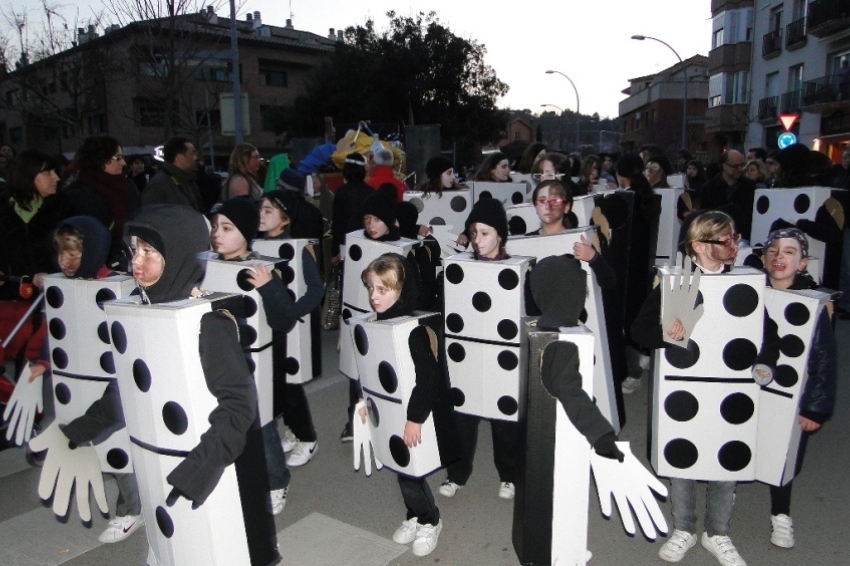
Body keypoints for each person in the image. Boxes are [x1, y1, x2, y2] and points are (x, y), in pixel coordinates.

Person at [123, 204, 279, 565]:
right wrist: (76, 430)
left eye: (149, 252)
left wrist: (199, 468)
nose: (137, 261)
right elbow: (126, 388)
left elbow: (239, 406)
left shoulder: (208, 322)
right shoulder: (140, 311)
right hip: (167, 461)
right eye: (134, 250)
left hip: (212, 465)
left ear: (176, 254)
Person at [631, 210, 777, 566]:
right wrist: (668, 335)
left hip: (732, 387)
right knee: (681, 460)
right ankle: (684, 527)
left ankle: (717, 532)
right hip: (684, 388)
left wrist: (765, 363)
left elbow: (768, 333)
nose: (734, 245)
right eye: (725, 239)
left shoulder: (745, 285)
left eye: (735, 237)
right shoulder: (677, 283)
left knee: (726, 458)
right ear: (698, 245)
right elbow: (638, 332)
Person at [45, 216, 144, 544]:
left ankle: (131, 508)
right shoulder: (66, 287)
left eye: (75, 253)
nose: (67, 261)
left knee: (120, 449)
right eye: (62, 253)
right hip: (79, 378)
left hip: (113, 382)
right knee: (104, 447)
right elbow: (60, 333)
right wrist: (43, 360)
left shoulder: (117, 287)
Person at [358, 253, 457, 557]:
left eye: (382, 290)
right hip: (390, 408)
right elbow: (369, 368)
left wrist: (415, 418)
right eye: (371, 288)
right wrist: (364, 402)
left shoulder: (412, 330)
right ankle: (414, 515)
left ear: (402, 290)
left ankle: (430, 519)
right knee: (402, 465)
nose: (374, 296)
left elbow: (428, 378)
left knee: (410, 470)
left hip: (417, 411)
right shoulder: (376, 325)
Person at [208, 197, 294, 514]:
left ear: (245, 231)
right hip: (222, 361)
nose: (218, 233)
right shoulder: (208, 266)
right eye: (215, 226)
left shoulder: (262, 269)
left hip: (256, 364)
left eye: (227, 227)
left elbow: (284, 319)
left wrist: (269, 287)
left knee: (262, 427)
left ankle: (276, 481)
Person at [758, 227, 836, 549]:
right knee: (741, 439)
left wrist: (814, 407)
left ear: (802, 262)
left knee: (783, 455)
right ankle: (728, 492)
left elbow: (824, 359)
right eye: (773, 250)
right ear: (763, 258)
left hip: (793, 395)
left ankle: (781, 512)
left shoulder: (811, 303)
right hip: (752, 388)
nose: (780, 257)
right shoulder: (750, 292)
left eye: (789, 252)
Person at [439, 198, 520, 501]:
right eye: (473, 233)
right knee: (462, 417)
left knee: (504, 420)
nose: (477, 240)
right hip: (468, 353)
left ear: (500, 234)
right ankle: (457, 474)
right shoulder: (461, 267)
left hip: (502, 354)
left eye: (485, 233)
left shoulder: (516, 269)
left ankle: (509, 475)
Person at [257, 191, 324, 467]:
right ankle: (293, 430)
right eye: (261, 209)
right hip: (266, 329)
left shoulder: (297, 250)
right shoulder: (254, 246)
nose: (261, 214)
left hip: (290, 328)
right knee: (276, 386)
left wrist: (290, 314)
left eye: (269, 211)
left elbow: (316, 289)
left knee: (291, 386)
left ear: (284, 221)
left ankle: (308, 438)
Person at [615, 153, 661, 395]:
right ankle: (642, 355)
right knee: (640, 316)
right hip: (643, 269)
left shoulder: (624, 200)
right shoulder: (649, 197)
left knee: (626, 322)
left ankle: (632, 371)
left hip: (625, 271)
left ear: (620, 175)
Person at [0, 150, 73, 296]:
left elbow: (74, 248)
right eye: (47, 172)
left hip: (52, 294)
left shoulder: (64, 206)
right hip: (9, 294)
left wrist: (53, 271)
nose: (56, 178)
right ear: (26, 175)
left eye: (55, 172)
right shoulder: (3, 206)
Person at [63, 135, 142, 270]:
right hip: (91, 267)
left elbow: (139, 220)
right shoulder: (74, 194)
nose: (123, 163)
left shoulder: (127, 186)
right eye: (117, 157)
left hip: (127, 262)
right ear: (100, 160)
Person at [697, 150, 756, 241]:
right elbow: (705, 214)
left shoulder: (749, 186)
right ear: (724, 166)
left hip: (743, 237)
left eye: (742, 165)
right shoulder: (709, 187)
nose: (740, 169)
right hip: (717, 237)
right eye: (735, 166)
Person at [331, 152, 375, 263]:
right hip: (369, 242)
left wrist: (334, 251)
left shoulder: (341, 192)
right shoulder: (372, 192)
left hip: (346, 244)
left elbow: (337, 223)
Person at [142, 137, 204, 212]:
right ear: (180, 158)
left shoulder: (189, 181)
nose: (196, 158)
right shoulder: (158, 185)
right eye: (193, 153)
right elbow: (151, 217)